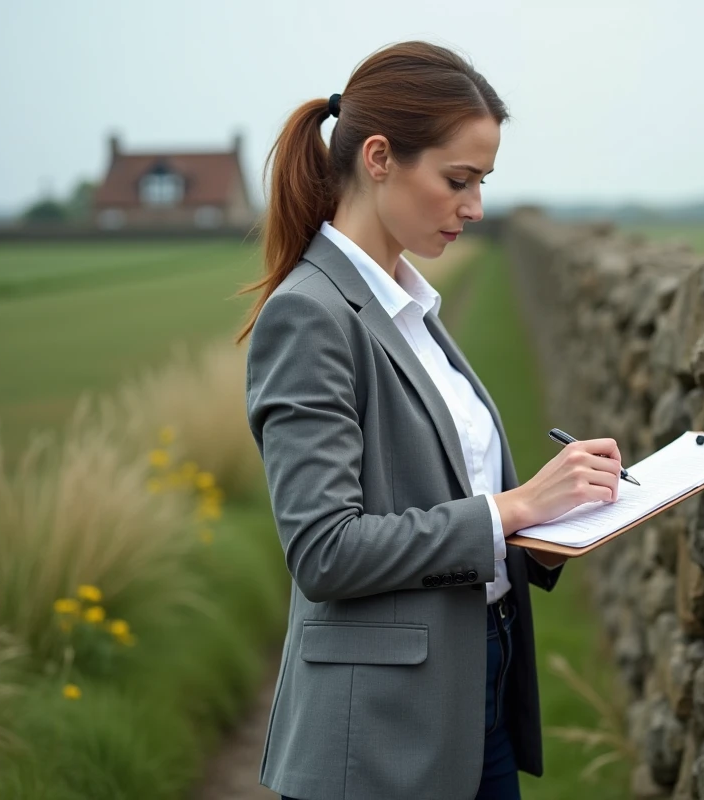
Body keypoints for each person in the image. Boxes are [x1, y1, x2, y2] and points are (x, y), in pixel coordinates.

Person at [236, 41, 626, 800]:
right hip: (378, 738)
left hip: (481, 691)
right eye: (458, 179)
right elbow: (324, 550)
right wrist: (513, 508)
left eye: (481, 182)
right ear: (379, 157)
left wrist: (546, 533)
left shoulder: (411, 307)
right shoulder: (310, 317)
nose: (475, 207)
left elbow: (442, 499)